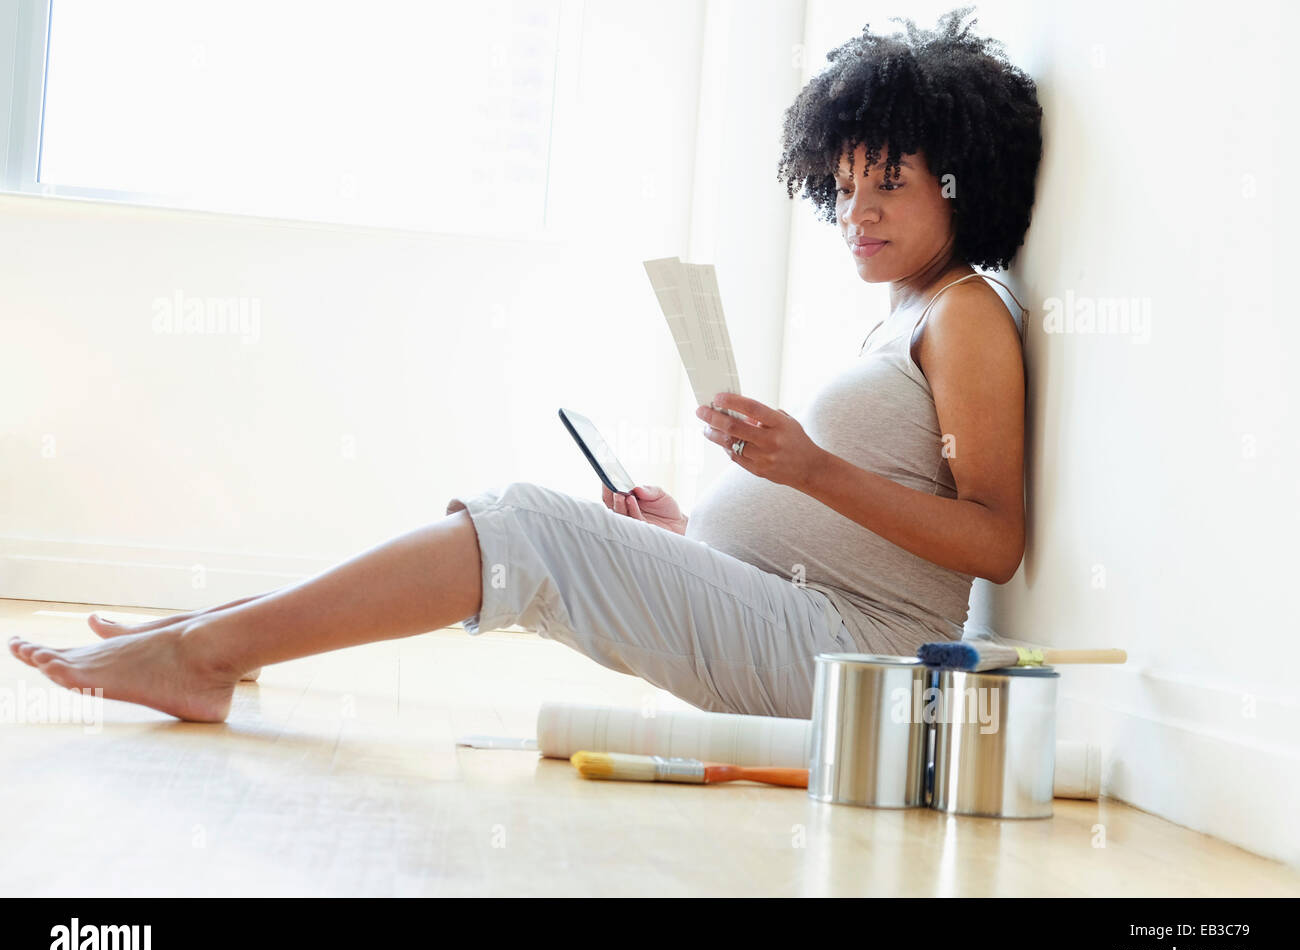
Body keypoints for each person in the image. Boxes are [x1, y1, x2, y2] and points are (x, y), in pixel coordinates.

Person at [7, 7, 1042, 723]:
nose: (855, 214)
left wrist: (807, 467)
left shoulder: (965, 318)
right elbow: (857, 527)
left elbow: (992, 541)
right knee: (537, 528)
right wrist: (689, 537)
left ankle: (199, 658)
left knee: (525, 526)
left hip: (859, 664)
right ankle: (197, 632)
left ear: (963, 187)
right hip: (802, 616)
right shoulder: (904, 310)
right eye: (845, 186)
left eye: (889, 189)